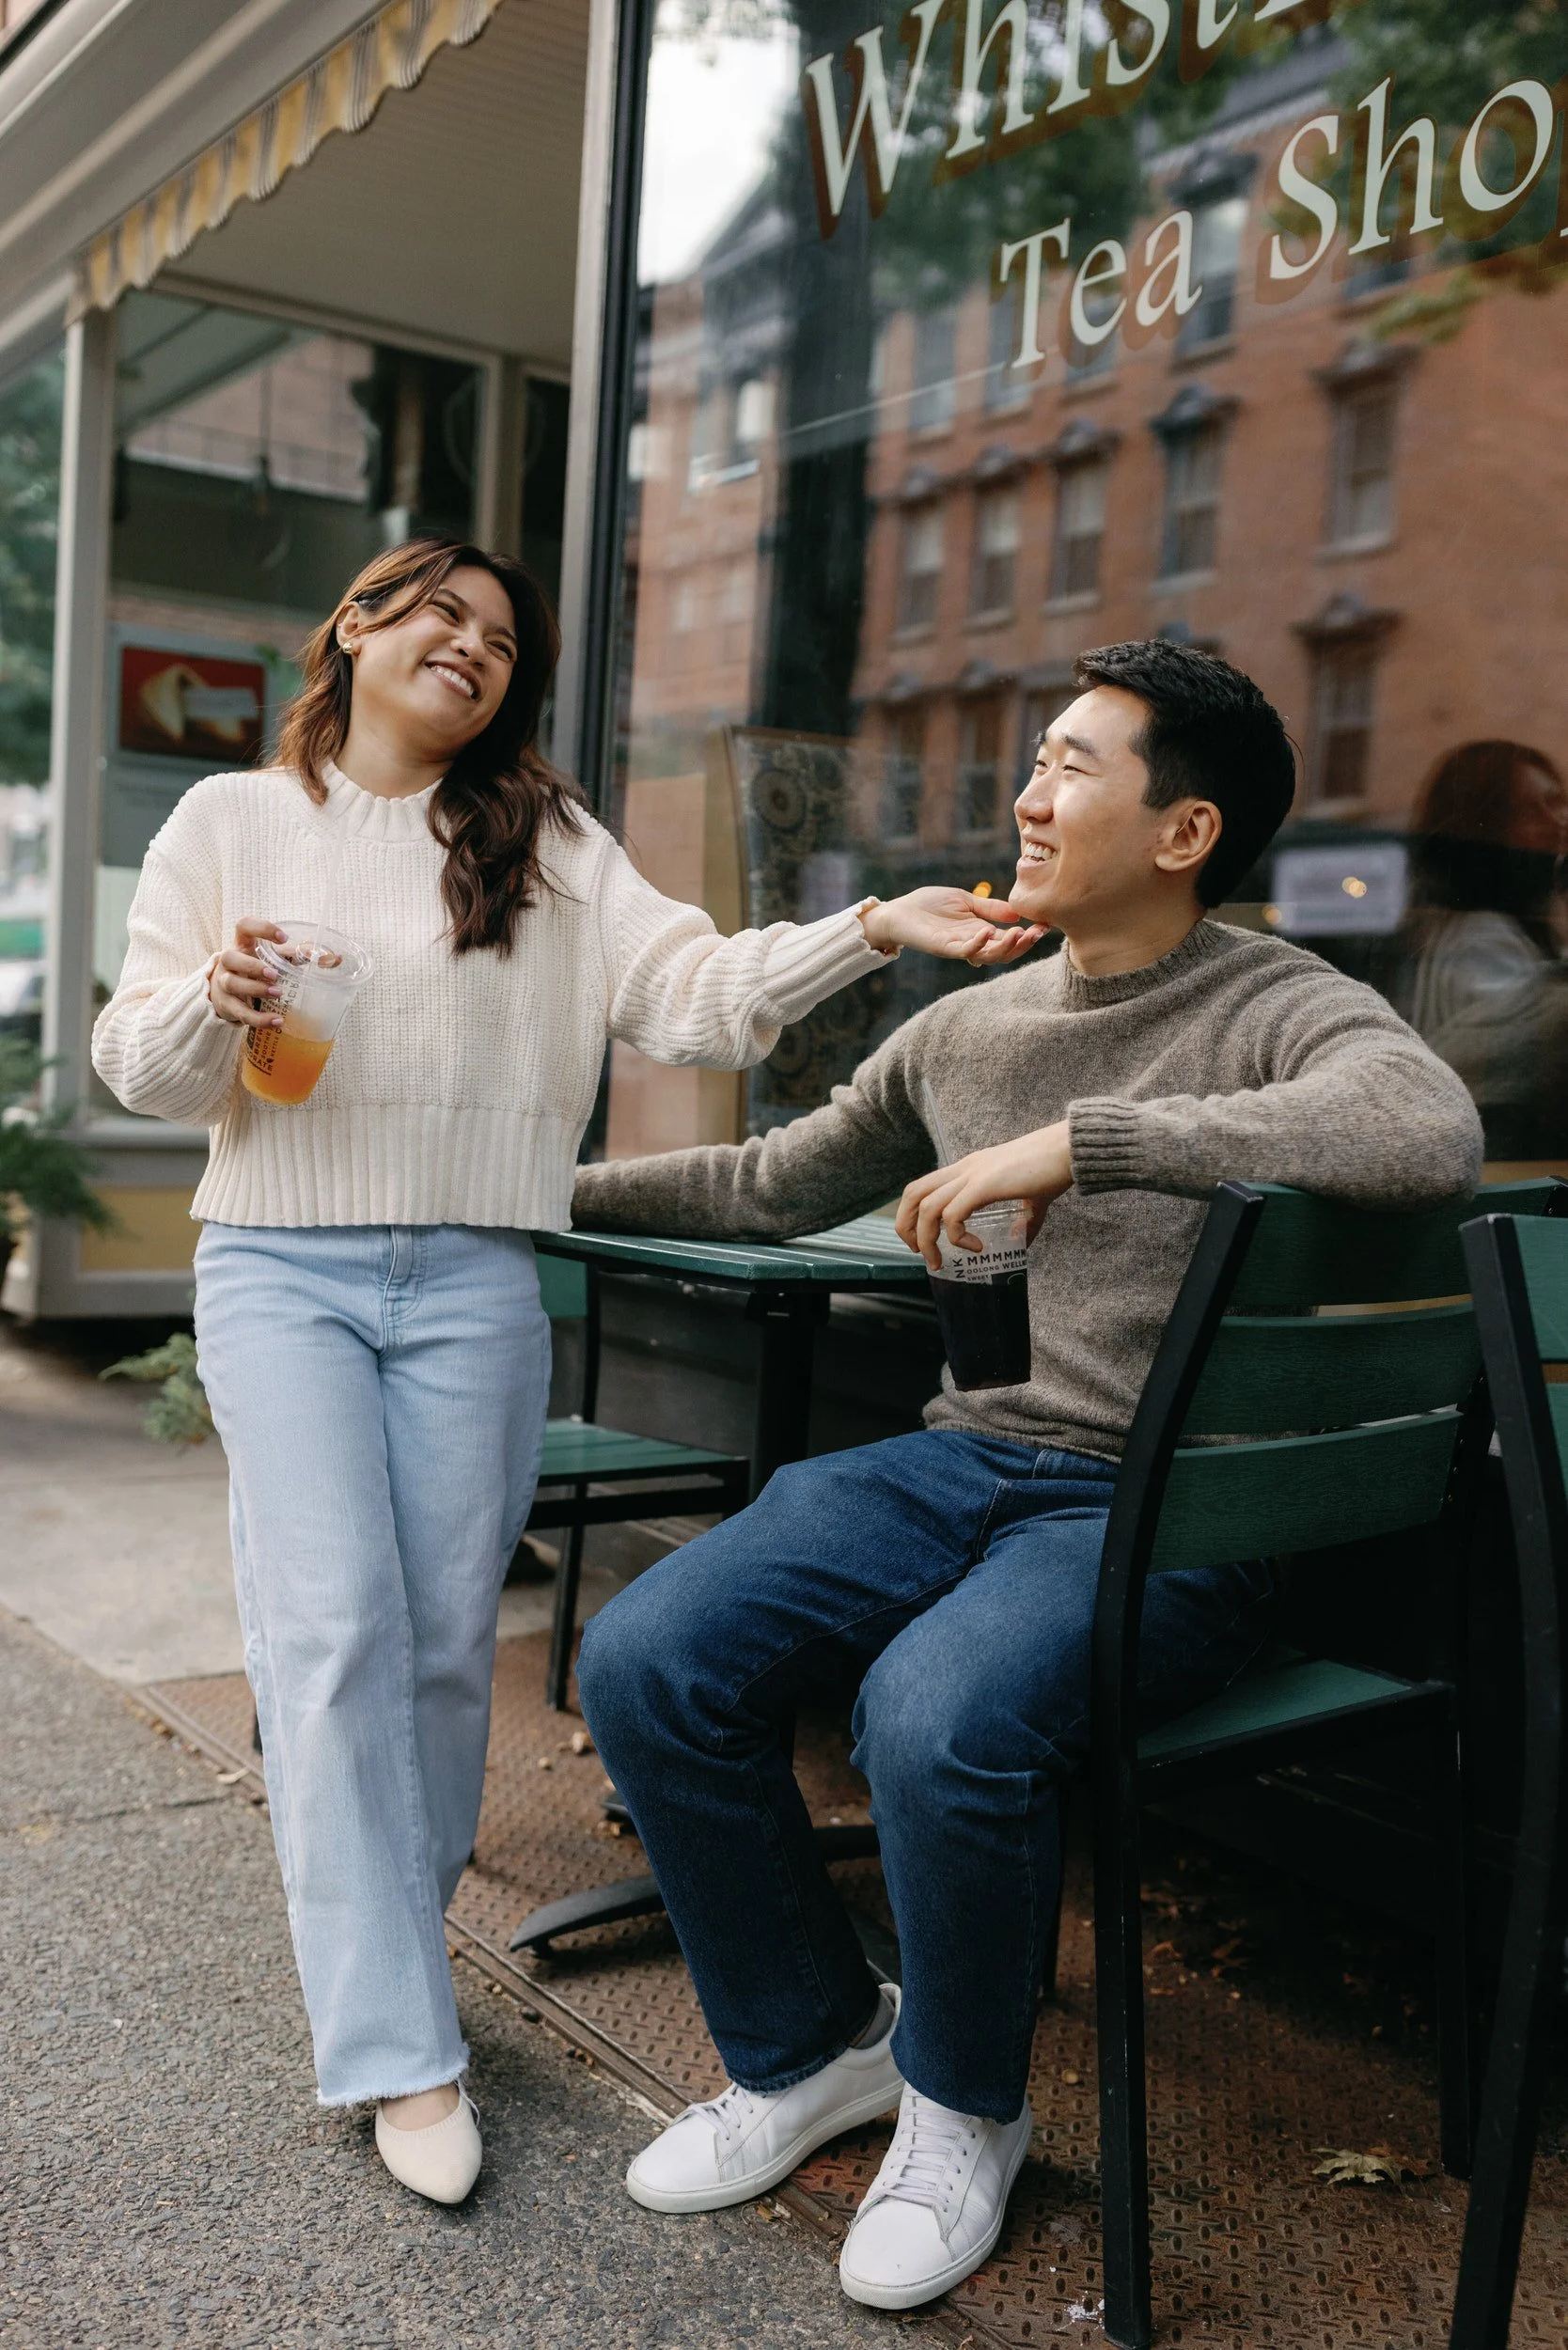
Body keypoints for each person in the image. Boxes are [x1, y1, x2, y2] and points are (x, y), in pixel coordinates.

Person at [89, 535, 1039, 2206]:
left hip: (470, 1274)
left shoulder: (541, 839)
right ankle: (400, 2046)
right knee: (328, 1635)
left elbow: (697, 1005)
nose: (472, 646)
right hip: (281, 1270)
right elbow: (144, 1064)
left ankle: (396, 1911)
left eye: (502, 639)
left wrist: (872, 923)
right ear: (359, 626)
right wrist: (213, 1005)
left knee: (449, 1637)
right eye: (441, 614)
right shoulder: (228, 819)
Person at [569, 639, 1484, 2311]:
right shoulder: (967, 1025)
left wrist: (1098, 1138)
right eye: (1035, 760)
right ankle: (810, 2050)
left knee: (934, 1712)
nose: (1026, 794)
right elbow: (772, 1183)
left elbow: (1423, 1130)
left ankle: (960, 2109)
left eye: (1069, 764)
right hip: (959, 1463)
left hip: (1166, 1504)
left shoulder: (1278, 1000)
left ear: (1185, 827)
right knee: (646, 1653)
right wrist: (537, 1186)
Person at [1399, 739, 1568, 1161]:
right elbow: (1526, 1057)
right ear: (1485, 830)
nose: (1558, 823)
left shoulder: (1485, 933)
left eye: (1559, 803)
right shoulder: (1479, 939)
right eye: (1532, 811)